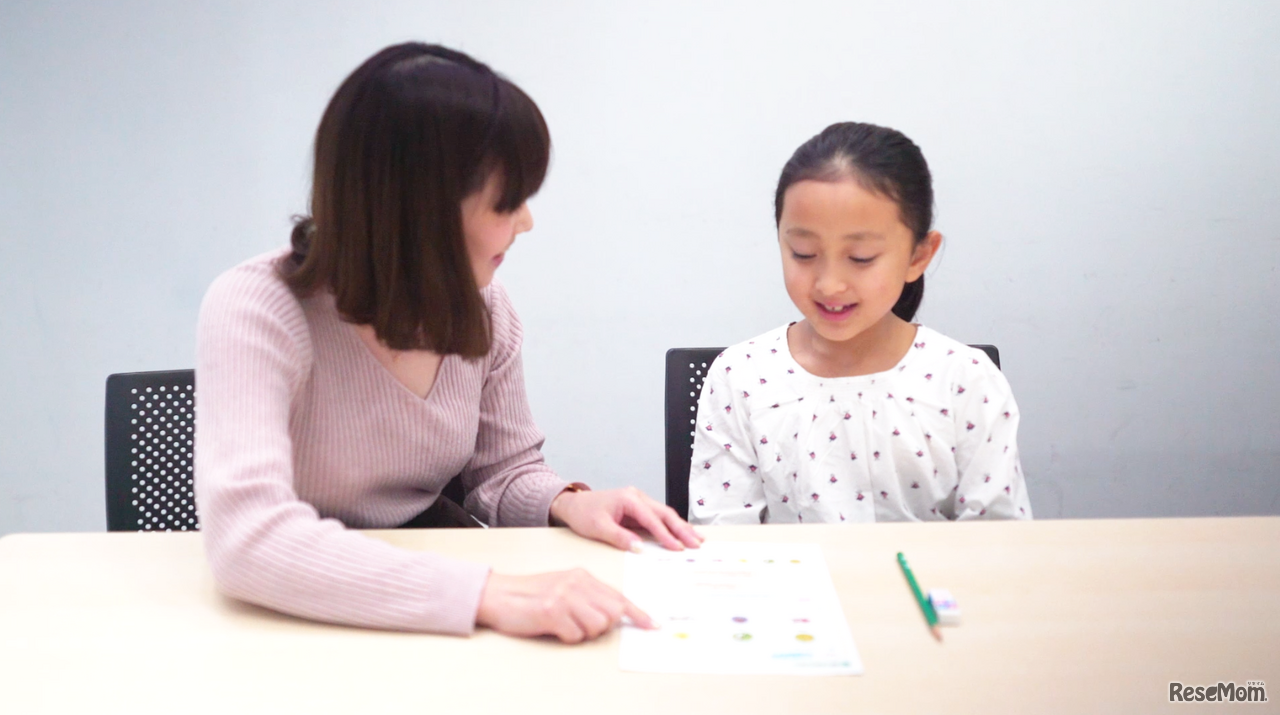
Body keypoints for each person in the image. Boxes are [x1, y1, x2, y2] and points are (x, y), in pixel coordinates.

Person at [195, 42, 700, 643]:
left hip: (427, 584)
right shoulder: (257, 307)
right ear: (420, 208)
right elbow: (248, 538)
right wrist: (485, 594)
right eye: (507, 202)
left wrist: (568, 502)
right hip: (295, 608)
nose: (527, 222)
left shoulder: (486, 304)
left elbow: (503, 472)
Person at [688, 122, 1032, 525]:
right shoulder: (741, 377)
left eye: (861, 258)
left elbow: (999, 539)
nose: (829, 284)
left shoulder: (965, 381)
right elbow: (723, 540)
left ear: (919, 256)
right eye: (803, 253)